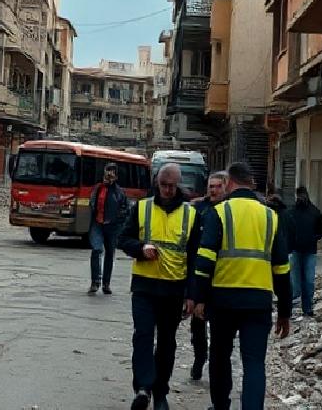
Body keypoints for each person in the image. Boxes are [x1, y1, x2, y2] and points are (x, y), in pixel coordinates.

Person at [194, 161, 291, 410]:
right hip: (258, 301)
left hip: (223, 299)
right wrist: (284, 311)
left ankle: (221, 406)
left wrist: (198, 297)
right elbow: (281, 268)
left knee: (220, 356)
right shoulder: (271, 216)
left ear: (229, 182)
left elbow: (205, 259)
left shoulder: (220, 212)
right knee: (254, 362)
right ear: (252, 183)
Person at [118, 163, 201, 410]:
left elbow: (195, 257)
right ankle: (143, 388)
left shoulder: (190, 214)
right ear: (157, 183)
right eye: (163, 185)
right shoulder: (142, 208)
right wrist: (141, 249)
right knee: (142, 336)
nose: (167, 190)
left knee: (167, 341)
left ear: (178, 185)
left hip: (174, 289)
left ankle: (160, 392)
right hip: (144, 287)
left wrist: (191, 295)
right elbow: (123, 238)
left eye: (171, 186)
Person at [188, 171, 227, 381]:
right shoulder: (199, 209)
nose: (213, 190)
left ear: (225, 187)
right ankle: (199, 358)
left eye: (217, 186)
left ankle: (217, 365)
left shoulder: (228, 211)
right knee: (197, 324)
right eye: (210, 186)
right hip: (199, 274)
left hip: (221, 277)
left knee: (219, 328)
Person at [88, 162, 129, 295]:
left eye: (112, 172)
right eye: (107, 171)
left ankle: (106, 283)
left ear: (116, 176)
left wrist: (117, 221)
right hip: (97, 224)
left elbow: (125, 209)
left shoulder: (119, 192)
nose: (108, 175)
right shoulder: (98, 188)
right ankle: (95, 282)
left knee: (110, 253)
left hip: (112, 227)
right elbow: (92, 203)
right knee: (96, 249)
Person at [285, 185, 322, 317]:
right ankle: (291, 308)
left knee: (308, 281)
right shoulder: (291, 212)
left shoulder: (314, 212)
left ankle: (307, 308)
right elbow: (286, 230)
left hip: (309, 251)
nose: (301, 198)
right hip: (295, 251)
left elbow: (321, 231)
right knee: (295, 283)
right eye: (299, 195)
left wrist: (313, 238)